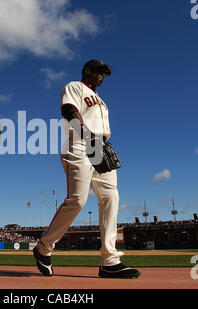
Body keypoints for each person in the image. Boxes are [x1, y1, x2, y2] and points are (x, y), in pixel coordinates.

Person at [33, 59, 140, 279]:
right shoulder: (74, 87)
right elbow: (69, 110)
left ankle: (109, 261)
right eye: (99, 71)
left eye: (105, 73)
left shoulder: (102, 101)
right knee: (77, 201)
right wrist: (87, 135)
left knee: (111, 198)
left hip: (100, 145)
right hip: (81, 143)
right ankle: (43, 247)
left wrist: (98, 144)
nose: (102, 76)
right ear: (87, 71)